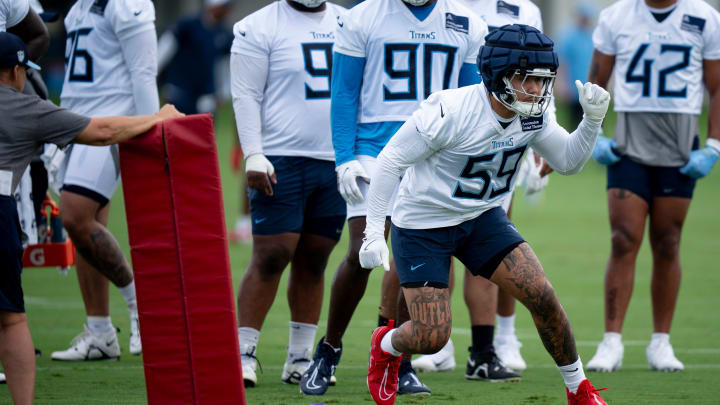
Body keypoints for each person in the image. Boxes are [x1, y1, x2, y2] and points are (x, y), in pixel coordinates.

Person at [359, 24, 611, 405]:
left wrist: (591, 122)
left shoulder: (533, 114)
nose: (537, 91)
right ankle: (387, 344)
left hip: (481, 217)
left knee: (542, 295)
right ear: (496, 75)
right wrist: (374, 233)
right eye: (526, 80)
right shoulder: (449, 110)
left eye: (543, 82)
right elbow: (389, 162)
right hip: (424, 223)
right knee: (432, 336)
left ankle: (578, 388)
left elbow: (568, 161)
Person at [300, 0, 487, 397]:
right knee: (361, 253)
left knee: (410, 258)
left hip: (434, 157)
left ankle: (397, 362)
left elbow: (474, 101)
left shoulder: (467, 21)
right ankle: (328, 349)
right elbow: (344, 93)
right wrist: (344, 158)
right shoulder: (363, 17)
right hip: (374, 149)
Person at [0, 30, 182, 405]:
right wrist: (157, 116)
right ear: (16, 71)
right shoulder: (25, 108)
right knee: (11, 319)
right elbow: (103, 132)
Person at [412, 0, 550, 379]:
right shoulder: (452, 9)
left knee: (490, 242)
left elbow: (539, 77)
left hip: (501, 138)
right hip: (453, 135)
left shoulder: (526, 9)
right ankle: (440, 345)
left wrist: (540, 143)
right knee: (438, 236)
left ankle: (489, 347)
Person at [585, 0, 720, 373]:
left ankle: (661, 341)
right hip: (630, 143)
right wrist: (593, 135)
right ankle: (611, 341)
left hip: (680, 146)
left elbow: (717, 85)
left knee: (668, 241)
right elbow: (596, 81)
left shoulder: (705, 18)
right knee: (623, 238)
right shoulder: (616, 16)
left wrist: (713, 145)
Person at [230, 0, 347, 388]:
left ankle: (300, 358)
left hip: (335, 158)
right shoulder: (258, 26)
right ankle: (243, 353)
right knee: (271, 255)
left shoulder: (350, 22)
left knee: (315, 258)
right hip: (281, 156)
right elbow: (246, 95)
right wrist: (253, 153)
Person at [50, 0, 160, 361]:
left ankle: (139, 305)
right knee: (89, 226)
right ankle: (99, 333)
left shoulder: (128, 4)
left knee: (75, 215)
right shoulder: (79, 6)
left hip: (111, 120)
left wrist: (151, 133)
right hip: (75, 121)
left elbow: (144, 73)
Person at [157, 0, 234, 115]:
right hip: (179, 91)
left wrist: (224, 92)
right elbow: (167, 46)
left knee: (201, 132)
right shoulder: (188, 26)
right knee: (174, 130)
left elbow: (224, 65)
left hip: (205, 98)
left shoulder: (224, 34)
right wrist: (155, 69)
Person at [556, 2, 595, 129]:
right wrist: (562, 84)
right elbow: (562, 61)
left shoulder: (590, 36)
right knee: (575, 122)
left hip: (589, 87)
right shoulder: (568, 35)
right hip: (573, 88)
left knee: (590, 122)